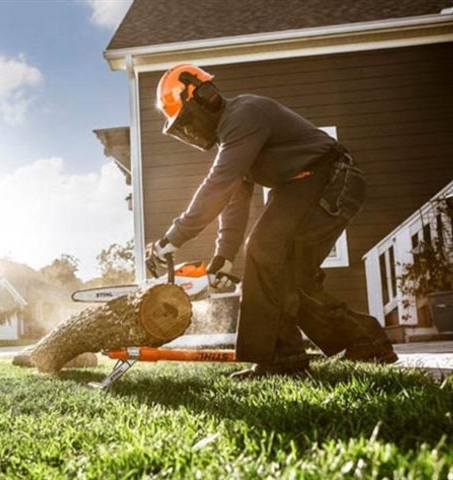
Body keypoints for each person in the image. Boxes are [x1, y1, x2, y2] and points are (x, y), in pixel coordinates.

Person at [146, 64, 397, 379]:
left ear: (205, 98)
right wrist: (223, 258)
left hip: (332, 178)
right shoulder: (233, 135)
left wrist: (171, 239)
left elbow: (218, 185)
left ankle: (283, 360)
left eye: (186, 119)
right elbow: (234, 200)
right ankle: (364, 343)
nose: (190, 130)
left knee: (268, 254)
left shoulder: (244, 115)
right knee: (287, 273)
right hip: (305, 183)